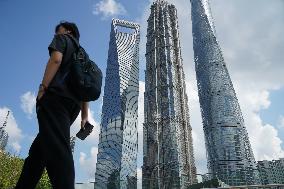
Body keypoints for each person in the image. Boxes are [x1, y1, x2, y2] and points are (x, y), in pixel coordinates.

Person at [15, 21, 89, 189]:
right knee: (38, 152)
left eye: (59, 30)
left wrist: (43, 88)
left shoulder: (63, 39)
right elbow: (86, 87)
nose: (56, 34)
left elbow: (55, 60)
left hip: (56, 99)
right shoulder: (83, 54)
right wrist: (85, 116)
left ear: (68, 31)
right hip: (73, 107)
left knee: (58, 149)